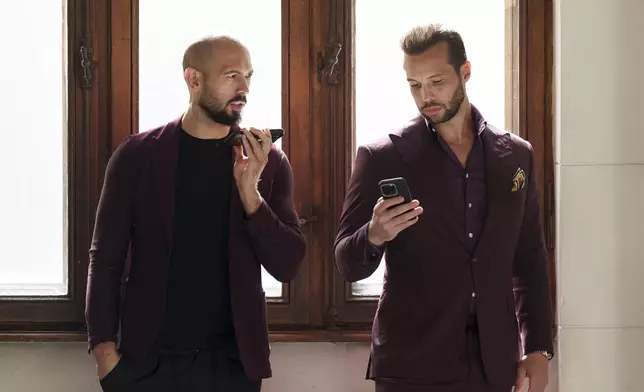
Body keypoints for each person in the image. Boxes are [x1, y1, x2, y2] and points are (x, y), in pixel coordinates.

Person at [334, 25, 553, 392]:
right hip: (412, 367)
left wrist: (537, 347)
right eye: (414, 85)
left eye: (436, 81)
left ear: (465, 72)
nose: (426, 97)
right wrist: (374, 235)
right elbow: (345, 262)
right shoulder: (381, 157)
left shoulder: (516, 155)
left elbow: (529, 257)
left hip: (494, 366)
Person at [86, 35, 306, 392]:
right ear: (194, 80)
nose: (244, 87)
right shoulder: (137, 157)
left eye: (248, 76)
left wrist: (251, 194)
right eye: (232, 75)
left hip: (233, 365)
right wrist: (104, 352)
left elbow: (288, 265)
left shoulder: (269, 161)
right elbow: (105, 258)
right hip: (147, 362)